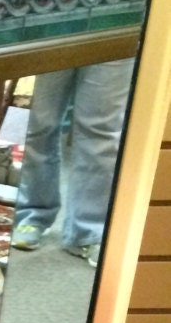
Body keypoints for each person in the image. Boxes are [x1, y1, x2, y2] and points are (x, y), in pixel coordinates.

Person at [10, 56, 136, 270]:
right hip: (49, 29)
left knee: (102, 131)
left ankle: (89, 231)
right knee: (35, 124)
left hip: (118, 28)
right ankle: (31, 214)